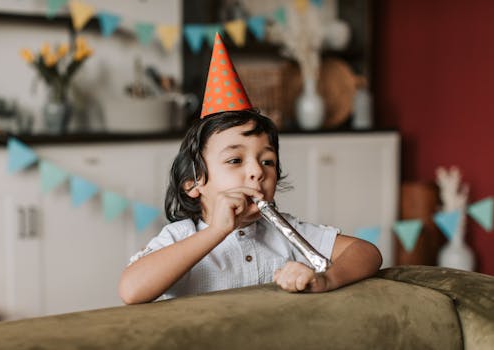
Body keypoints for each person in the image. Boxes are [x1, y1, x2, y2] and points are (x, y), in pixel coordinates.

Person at [118, 34, 382, 304]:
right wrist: (215, 232)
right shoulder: (181, 237)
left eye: (267, 161)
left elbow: (367, 252)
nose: (258, 171)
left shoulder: (288, 232)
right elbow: (131, 289)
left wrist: (326, 280)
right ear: (193, 182)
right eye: (235, 160)